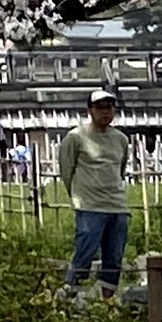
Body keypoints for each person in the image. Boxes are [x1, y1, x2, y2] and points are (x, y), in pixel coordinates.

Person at [55, 90, 129, 297]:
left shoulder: (121, 139)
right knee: (84, 254)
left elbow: (120, 170)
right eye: (100, 108)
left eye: (109, 108)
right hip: (89, 205)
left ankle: (105, 300)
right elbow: (66, 170)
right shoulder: (75, 137)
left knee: (114, 258)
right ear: (90, 111)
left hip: (116, 204)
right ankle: (69, 296)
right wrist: (78, 196)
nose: (105, 112)